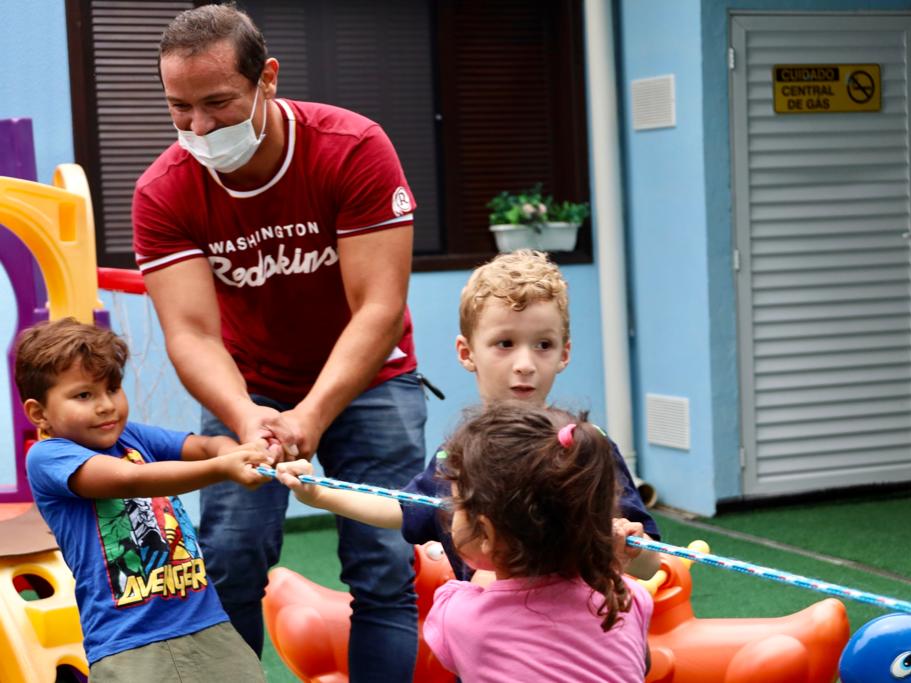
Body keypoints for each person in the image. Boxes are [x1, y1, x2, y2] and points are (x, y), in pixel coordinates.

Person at [131, 5, 426, 677]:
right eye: (180, 109)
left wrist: (313, 414)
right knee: (231, 554)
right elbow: (192, 333)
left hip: (372, 377)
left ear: (267, 78)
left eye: (217, 104)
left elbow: (379, 308)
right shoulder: (163, 192)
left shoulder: (351, 148)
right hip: (251, 383)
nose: (199, 129)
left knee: (382, 563)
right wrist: (246, 416)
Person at [278, 249, 661, 581]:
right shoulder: (460, 454)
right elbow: (405, 508)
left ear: (564, 353)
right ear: (466, 353)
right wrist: (320, 493)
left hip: (575, 652)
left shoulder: (584, 446)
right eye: (504, 344)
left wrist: (631, 547)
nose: (525, 363)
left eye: (543, 344)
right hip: (484, 654)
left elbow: (648, 565)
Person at [15, 318, 269, 680]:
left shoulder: (134, 437)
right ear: (39, 413)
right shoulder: (48, 457)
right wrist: (225, 467)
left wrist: (242, 449)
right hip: (129, 642)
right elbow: (130, 480)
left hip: (208, 624)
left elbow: (204, 444)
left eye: (113, 388)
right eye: (84, 395)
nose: (106, 406)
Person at [424, 402, 653, 682]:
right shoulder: (628, 596)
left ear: (486, 533)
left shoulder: (460, 616)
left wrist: (494, 556)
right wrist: (607, 562)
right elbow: (639, 661)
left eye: (456, 505)